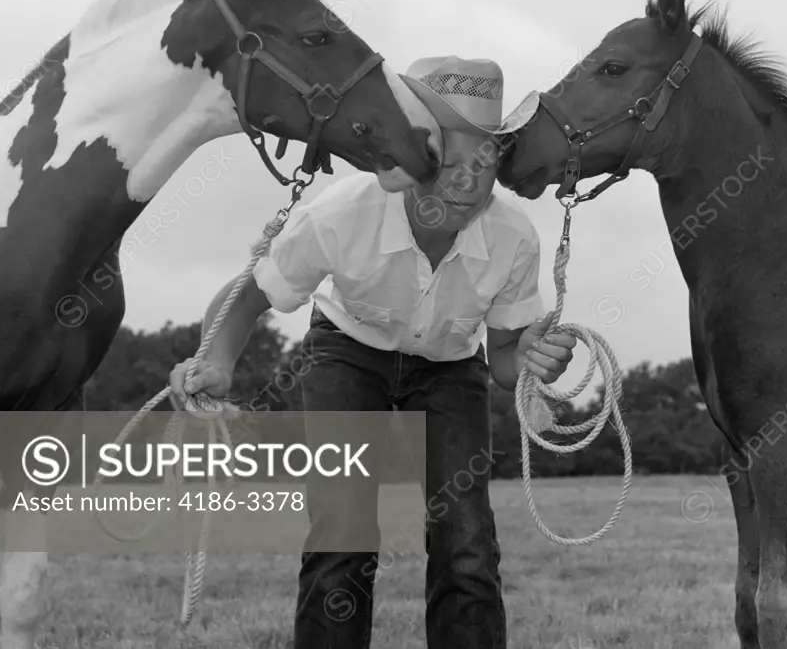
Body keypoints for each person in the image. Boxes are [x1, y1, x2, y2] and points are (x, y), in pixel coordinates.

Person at [169, 55, 576, 649]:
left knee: (466, 541)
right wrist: (218, 362)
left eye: (485, 163)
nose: (467, 181)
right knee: (345, 534)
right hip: (348, 351)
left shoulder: (516, 238)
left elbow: (506, 361)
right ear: (413, 158)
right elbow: (249, 296)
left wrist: (536, 359)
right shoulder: (338, 215)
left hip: (451, 365)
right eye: (450, 162)